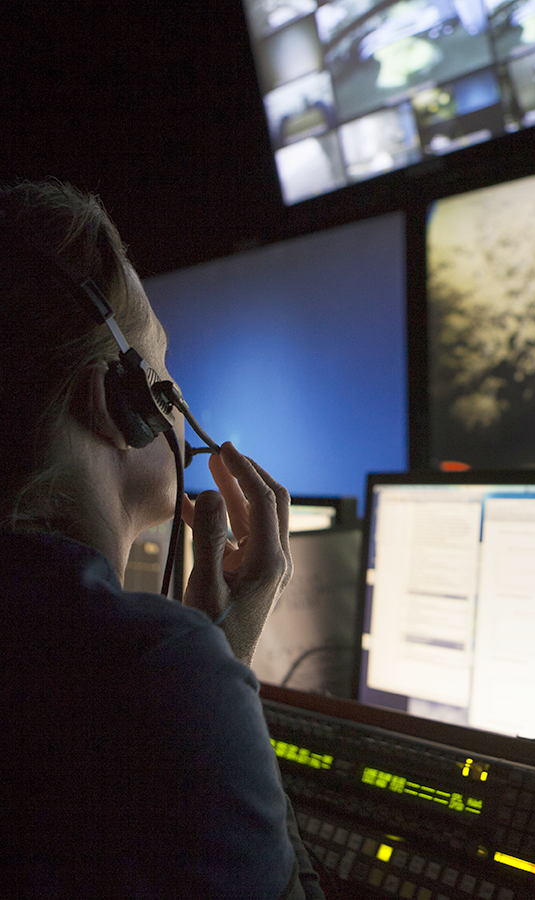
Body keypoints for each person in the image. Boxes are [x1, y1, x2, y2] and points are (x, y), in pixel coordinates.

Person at [0, 180, 326, 899]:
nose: (179, 394)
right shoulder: (152, 672)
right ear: (121, 403)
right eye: (165, 368)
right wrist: (222, 668)